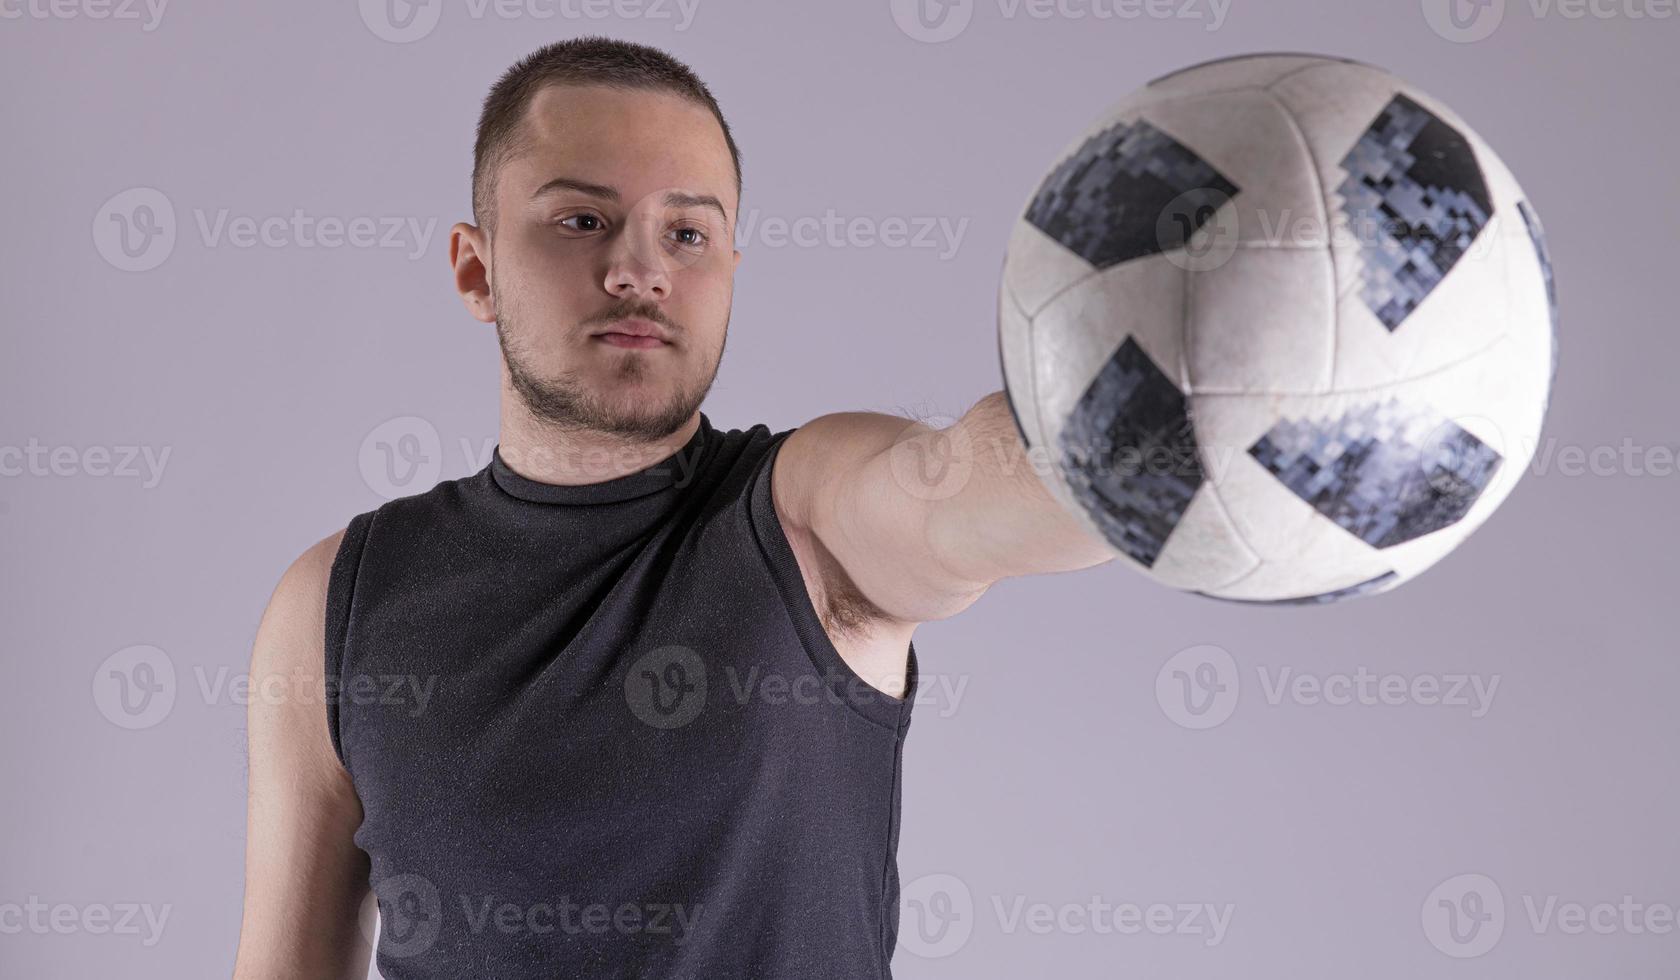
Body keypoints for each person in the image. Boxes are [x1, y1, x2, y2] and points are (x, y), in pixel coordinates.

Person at [232, 35, 1114, 979]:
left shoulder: (801, 521)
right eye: (581, 221)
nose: (639, 272)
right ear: (475, 270)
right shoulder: (337, 604)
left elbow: (960, 487)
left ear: (731, 265)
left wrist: (1155, 425)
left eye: (686, 234)